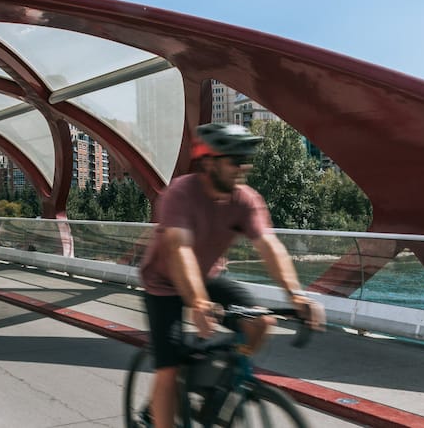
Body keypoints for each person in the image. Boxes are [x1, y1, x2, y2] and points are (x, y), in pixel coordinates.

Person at [139, 123, 324, 428]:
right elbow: (180, 249)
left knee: (261, 323)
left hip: (208, 276)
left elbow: (269, 246)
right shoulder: (181, 194)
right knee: (168, 368)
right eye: (235, 160)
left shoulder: (245, 199)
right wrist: (198, 303)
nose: (243, 167)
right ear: (209, 162)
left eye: (246, 159)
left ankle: (220, 383)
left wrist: (296, 294)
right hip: (163, 284)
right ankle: (160, 408)